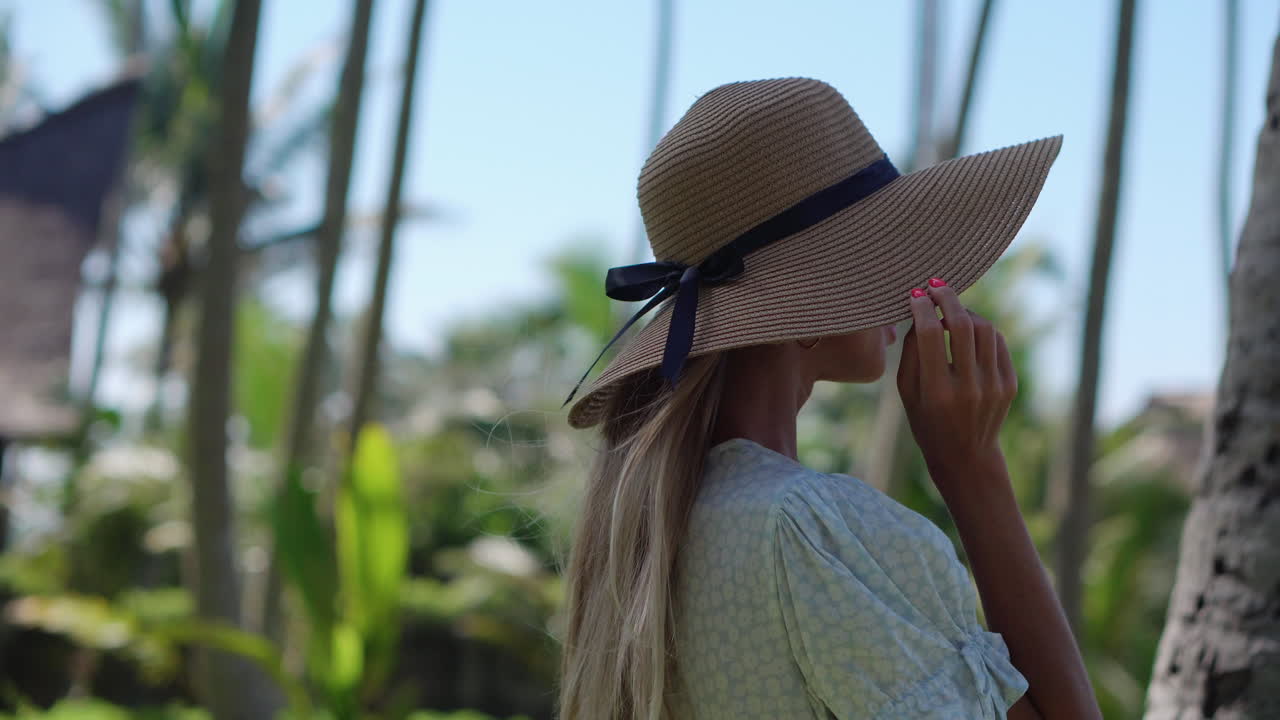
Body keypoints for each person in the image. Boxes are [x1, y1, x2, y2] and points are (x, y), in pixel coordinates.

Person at [555, 77, 1101, 719]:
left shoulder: (649, 531)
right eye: (874, 253)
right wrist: (972, 468)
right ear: (805, 306)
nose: (904, 284)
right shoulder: (816, 529)